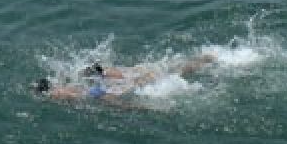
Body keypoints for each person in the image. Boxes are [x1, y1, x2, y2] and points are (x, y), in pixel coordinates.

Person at [32, 54, 215, 103]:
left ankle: (207, 62)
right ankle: (207, 59)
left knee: (169, 75)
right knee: (165, 70)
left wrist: (140, 109)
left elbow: (107, 98)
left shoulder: (78, 93)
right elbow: (100, 73)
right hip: (122, 74)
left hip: (122, 82)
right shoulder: (72, 82)